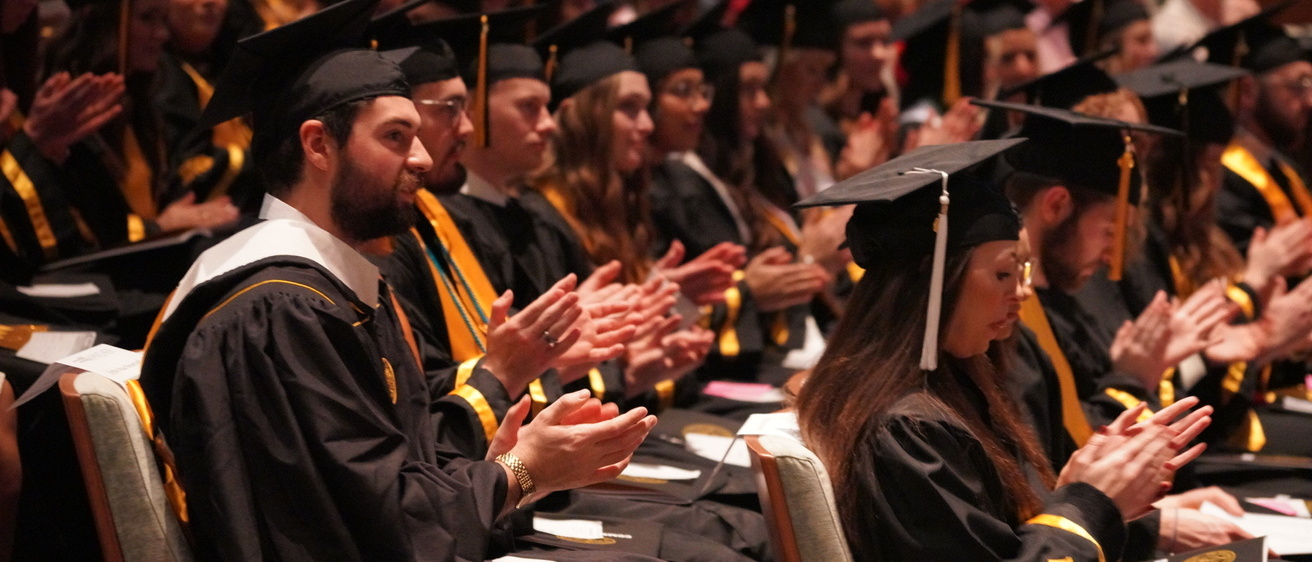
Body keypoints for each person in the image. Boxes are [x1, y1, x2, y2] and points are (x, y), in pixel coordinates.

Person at [138, 1, 655, 558]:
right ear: (318, 145)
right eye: (395, 137)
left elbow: (395, 469)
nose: (425, 158)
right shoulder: (281, 310)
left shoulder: (331, 288)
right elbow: (382, 526)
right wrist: (522, 473)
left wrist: (500, 455)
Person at [793, 138, 1212, 560]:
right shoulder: (906, 429)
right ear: (934, 279)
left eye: (1022, 272)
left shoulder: (941, 391)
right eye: (1003, 273)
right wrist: (1092, 501)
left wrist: (1078, 495)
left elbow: (1002, 538)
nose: (1019, 294)